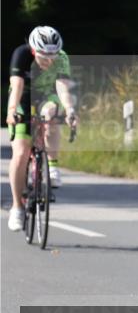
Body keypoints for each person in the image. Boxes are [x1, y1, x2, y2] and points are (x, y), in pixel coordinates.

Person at [6, 26, 79, 231]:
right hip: (24, 96)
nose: (49, 61)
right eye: (43, 56)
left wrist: (70, 110)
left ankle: (53, 166)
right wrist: (12, 110)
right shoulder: (21, 54)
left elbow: (63, 86)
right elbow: (17, 86)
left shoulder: (61, 57)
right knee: (20, 153)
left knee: (52, 114)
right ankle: (17, 207)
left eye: (53, 56)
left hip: (47, 95)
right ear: (33, 50)